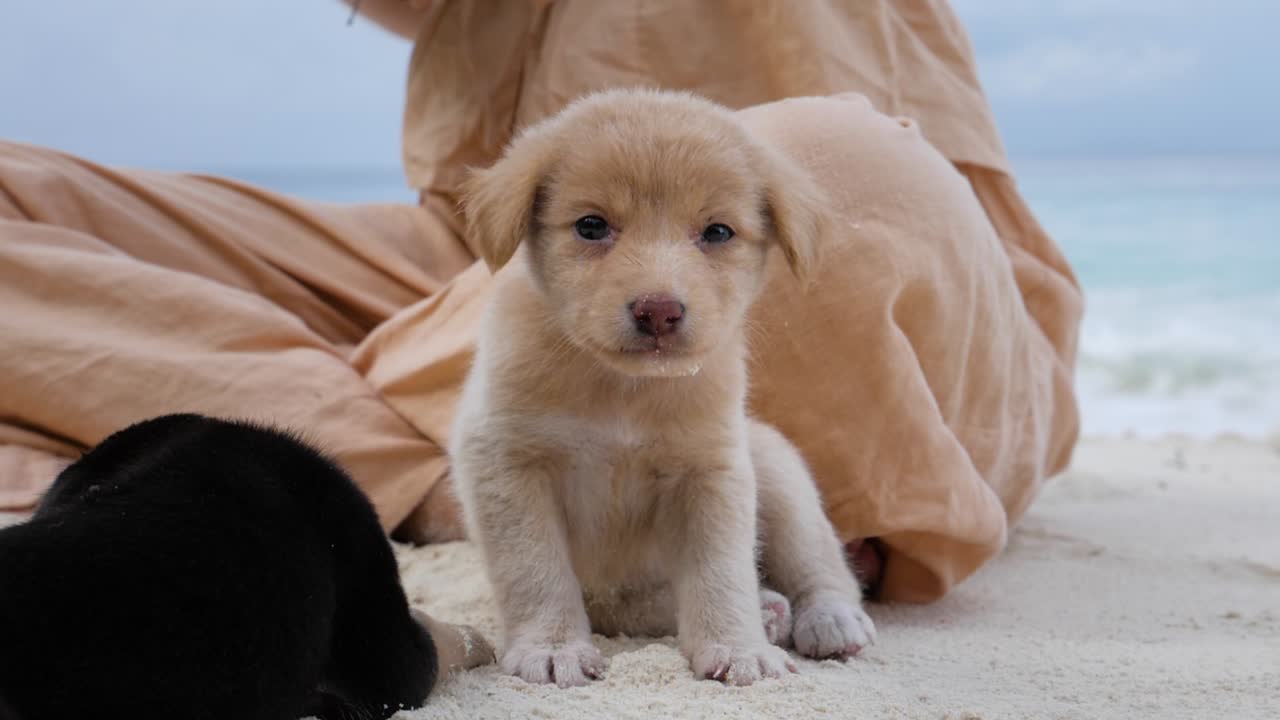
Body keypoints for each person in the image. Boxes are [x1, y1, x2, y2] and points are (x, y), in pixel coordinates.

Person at [0, 0, 1081, 602]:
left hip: (766, 263)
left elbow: (887, 210)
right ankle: (418, 437)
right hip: (492, 250)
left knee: (837, 166)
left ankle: (373, 449)